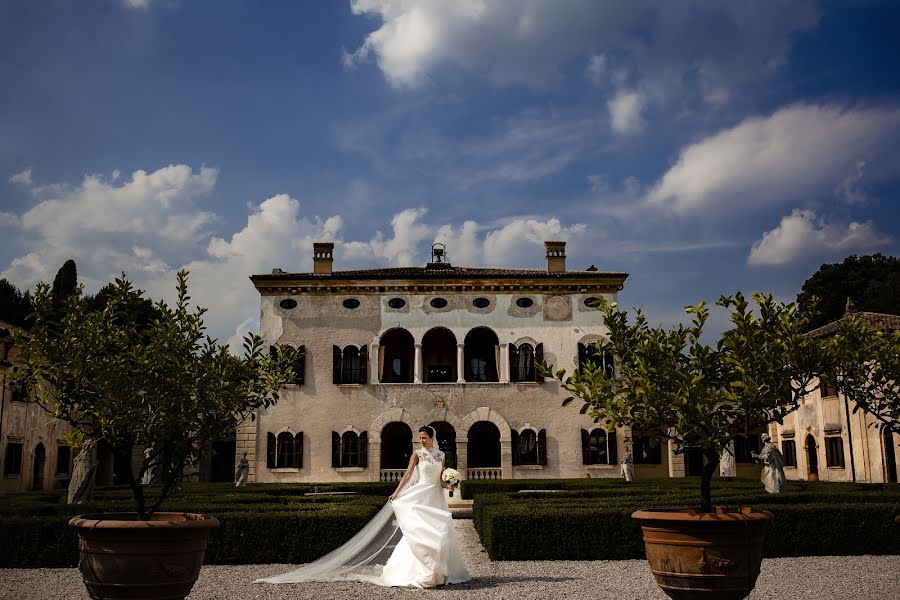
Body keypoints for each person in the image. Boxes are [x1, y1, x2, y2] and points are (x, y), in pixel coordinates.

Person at [256, 425, 471, 588]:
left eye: (424, 437)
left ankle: (440, 573)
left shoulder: (441, 456)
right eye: (420, 438)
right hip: (420, 495)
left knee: (440, 532)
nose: (421, 440)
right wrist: (396, 492)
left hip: (435, 496)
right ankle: (421, 572)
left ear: (432, 438)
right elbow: (407, 475)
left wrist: (450, 483)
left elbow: (440, 480)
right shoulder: (417, 454)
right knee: (419, 532)